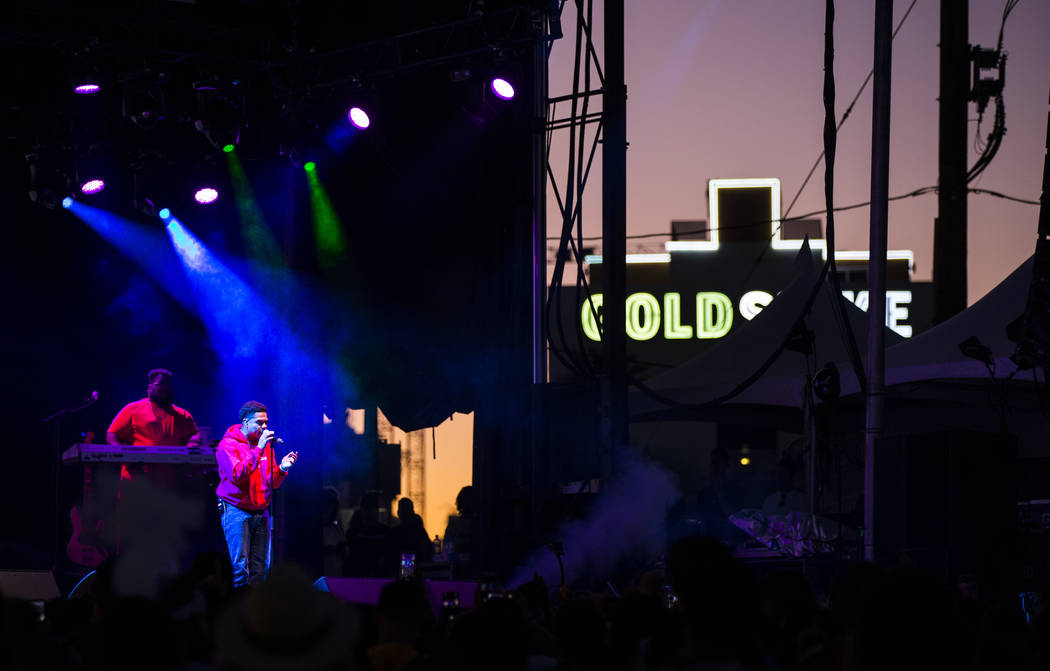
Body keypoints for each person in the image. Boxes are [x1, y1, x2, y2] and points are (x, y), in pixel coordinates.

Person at [216, 400, 299, 587]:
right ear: (245, 422)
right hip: (237, 510)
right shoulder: (228, 445)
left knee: (261, 568)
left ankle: (257, 610)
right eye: (259, 422)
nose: (264, 427)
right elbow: (237, 475)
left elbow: (271, 482)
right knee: (240, 568)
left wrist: (282, 469)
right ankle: (239, 610)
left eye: (266, 422)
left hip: (261, 511)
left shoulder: (266, 446)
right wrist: (258, 449)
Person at [106, 368, 202, 483]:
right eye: (161, 384)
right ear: (150, 387)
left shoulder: (183, 415)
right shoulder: (133, 409)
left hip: (169, 483)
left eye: (168, 385)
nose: (165, 389)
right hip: (136, 479)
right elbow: (112, 434)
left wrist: (193, 442)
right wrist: (121, 452)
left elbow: (195, 435)